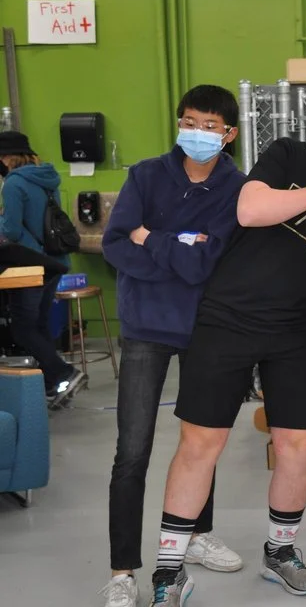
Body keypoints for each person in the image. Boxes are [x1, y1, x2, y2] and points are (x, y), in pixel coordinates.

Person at [145, 91, 306, 606]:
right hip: (227, 318)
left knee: (297, 445)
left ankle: (280, 553)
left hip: (297, 333)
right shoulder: (288, 155)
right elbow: (251, 209)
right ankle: (169, 569)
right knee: (201, 443)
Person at [99, 85, 247, 607]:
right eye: (189, 121)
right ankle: (122, 571)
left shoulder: (237, 187)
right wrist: (182, 249)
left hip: (207, 327)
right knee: (132, 451)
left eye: (210, 126)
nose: (197, 132)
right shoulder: (145, 175)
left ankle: (197, 535)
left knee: (201, 444)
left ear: (229, 134)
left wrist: (153, 238)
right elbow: (116, 245)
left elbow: (209, 262)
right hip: (145, 327)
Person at [0, 130, 87, 407]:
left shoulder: (14, 183)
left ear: (5, 158)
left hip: (28, 265)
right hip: (53, 263)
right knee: (38, 325)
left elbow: (11, 231)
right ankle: (53, 385)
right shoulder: (47, 177)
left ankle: (64, 373)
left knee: (23, 330)